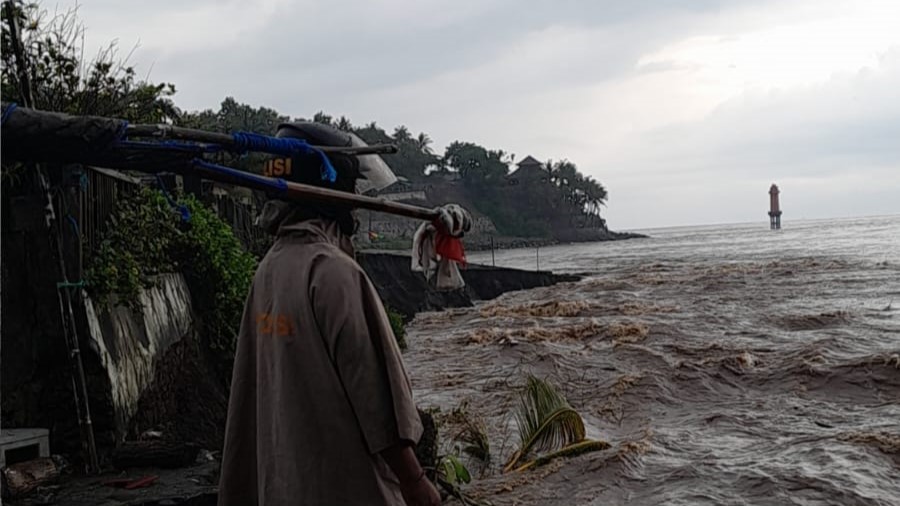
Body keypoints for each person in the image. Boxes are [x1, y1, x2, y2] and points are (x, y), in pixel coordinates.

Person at [217, 122, 441, 506]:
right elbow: (375, 397)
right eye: (351, 190)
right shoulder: (332, 273)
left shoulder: (269, 269)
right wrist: (416, 480)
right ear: (334, 193)